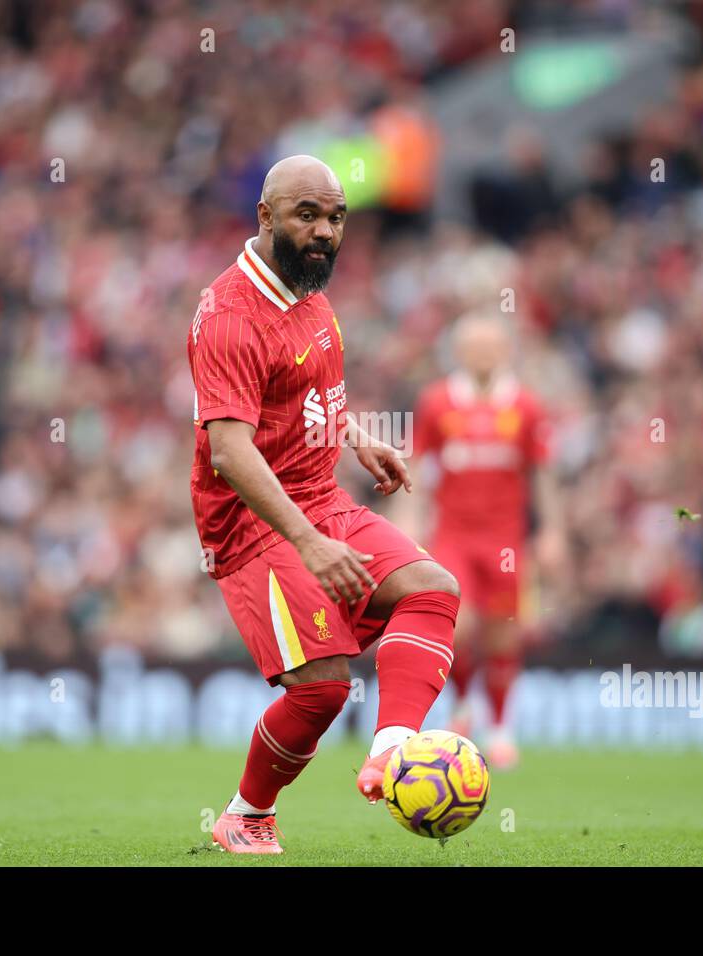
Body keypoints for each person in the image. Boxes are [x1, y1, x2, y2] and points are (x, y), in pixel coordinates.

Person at [187, 156, 461, 853]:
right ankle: (245, 814)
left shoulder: (307, 287)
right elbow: (230, 451)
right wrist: (308, 541)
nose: (324, 231)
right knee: (323, 692)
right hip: (256, 523)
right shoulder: (228, 317)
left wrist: (358, 435)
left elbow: (302, 395)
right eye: (306, 214)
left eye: (335, 217)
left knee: (432, 589)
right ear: (265, 216)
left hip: (322, 497)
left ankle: (393, 750)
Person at [406, 312, 563, 769]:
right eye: (474, 346)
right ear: (458, 351)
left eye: (491, 346)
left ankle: (500, 730)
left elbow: (543, 473)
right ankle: (460, 708)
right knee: (459, 625)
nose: (483, 354)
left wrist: (552, 530)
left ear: (506, 350)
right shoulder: (437, 403)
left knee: (502, 636)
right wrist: (410, 518)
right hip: (453, 536)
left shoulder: (526, 406)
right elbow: (416, 466)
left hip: (506, 541)